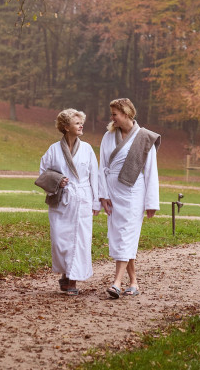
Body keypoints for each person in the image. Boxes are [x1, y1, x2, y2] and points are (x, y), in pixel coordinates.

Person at [98, 98, 160, 299]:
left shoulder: (144, 137)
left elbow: (151, 171)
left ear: (126, 113)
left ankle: (116, 283)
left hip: (134, 193)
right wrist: (103, 195)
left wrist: (152, 203)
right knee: (121, 236)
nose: (112, 118)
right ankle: (133, 282)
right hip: (113, 192)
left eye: (115, 114)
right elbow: (102, 167)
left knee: (126, 234)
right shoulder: (109, 136)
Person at [37, 109, 101, 296]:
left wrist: (95, 202)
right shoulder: (53, 149)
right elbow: (44, 171)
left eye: (82, 122)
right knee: (60, 239)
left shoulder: (87, 149)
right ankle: (65, 273)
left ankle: (72, 279)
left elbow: (94, 177)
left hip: (82, 199)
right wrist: (58, 180)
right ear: (66, 127)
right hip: (61, 200)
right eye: (77, 123)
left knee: (79, 240)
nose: (81, 125)